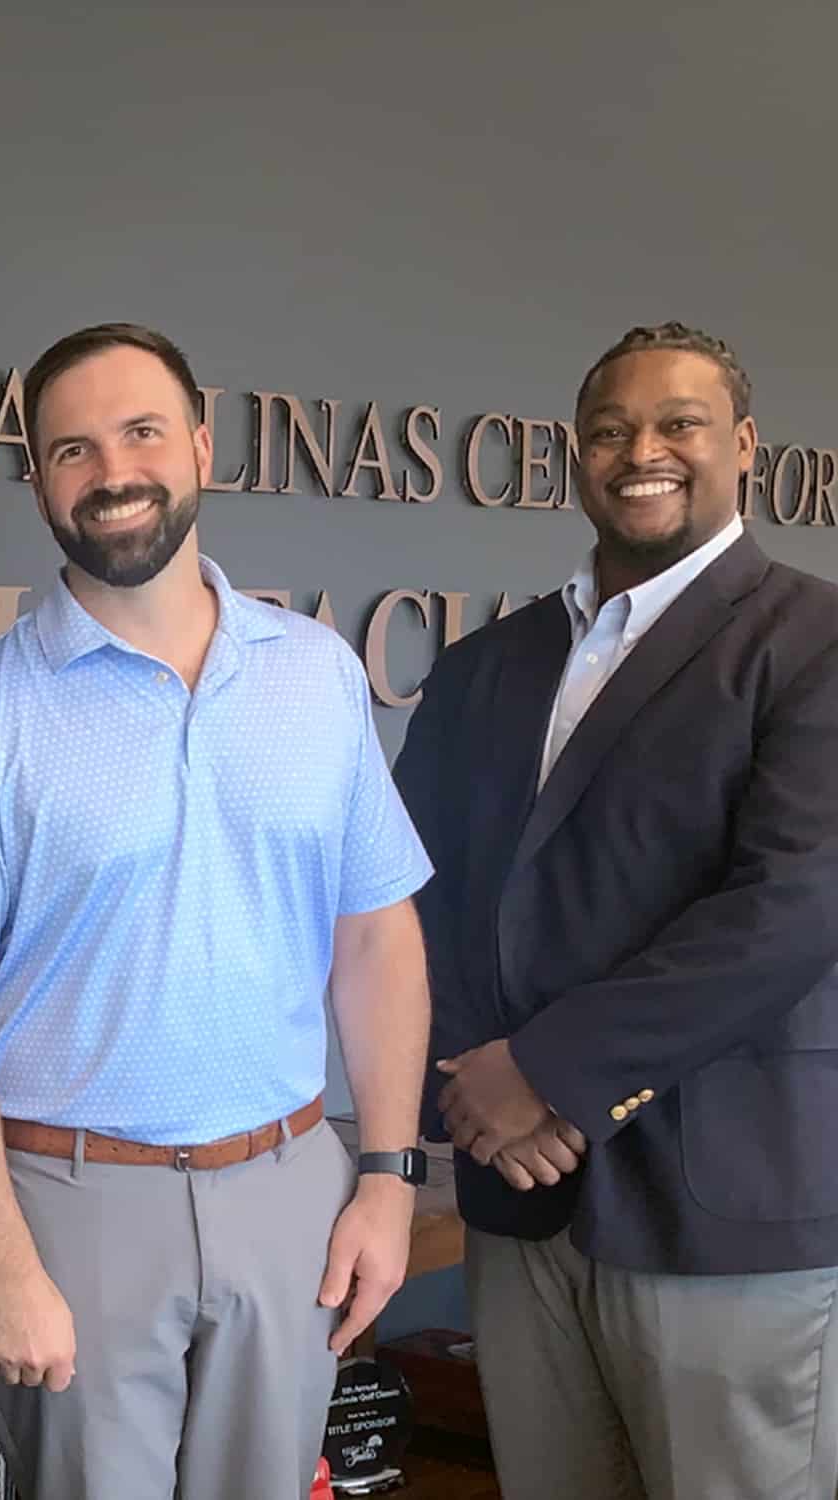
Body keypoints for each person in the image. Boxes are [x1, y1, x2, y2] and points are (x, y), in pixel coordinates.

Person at [0, 322, 435, 1498]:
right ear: (36, 482)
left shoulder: (315, 672)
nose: (110, 471)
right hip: (73, 1205)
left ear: (196, 442)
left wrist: (384, 1173)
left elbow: (374, 933)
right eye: (71, 449)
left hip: (289, 1183)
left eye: (137, 432)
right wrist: (2, 1264)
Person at [393, 322, 838, 1500]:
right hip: (515, 1199)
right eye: (607, 429)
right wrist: (470, 1070)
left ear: (740, 446)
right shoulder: (488, 662)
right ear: (571, 458)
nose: (639, 449)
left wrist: (547, 1074)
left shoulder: (812, 642)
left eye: (676, 423)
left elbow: (792, 905)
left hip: (718, 1209)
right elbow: (407, 891)